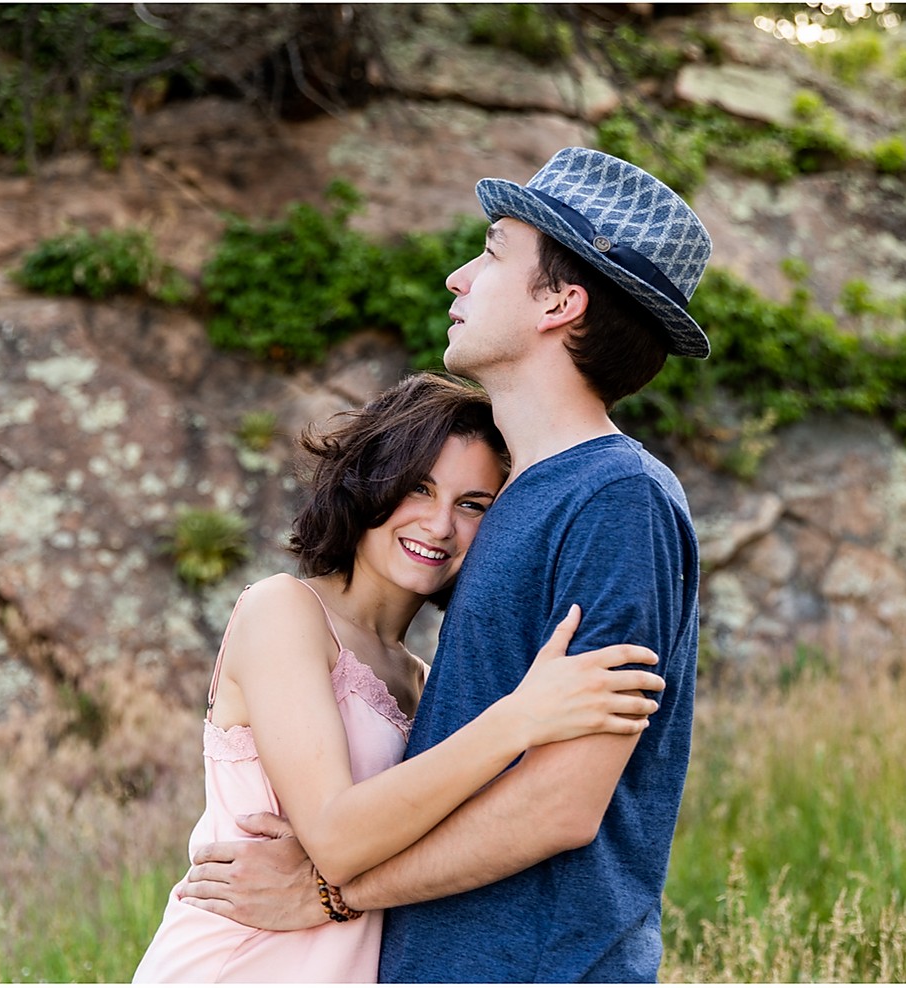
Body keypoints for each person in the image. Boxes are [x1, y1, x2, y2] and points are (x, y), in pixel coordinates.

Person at [177, 147, 713, 982]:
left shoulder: (616, 499)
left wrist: (330, 895)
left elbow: (561, 805)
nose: (461, 278)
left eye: (494, 252)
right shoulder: (521, 498)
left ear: (561, 302)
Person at [133, 372, 667, 982]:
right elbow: (336, 838)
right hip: (242, 961)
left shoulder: (422, 681)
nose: (440, 525)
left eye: (473, 505)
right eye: (419, 488)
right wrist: (519, 718)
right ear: (368, 485)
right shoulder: (283, 611)